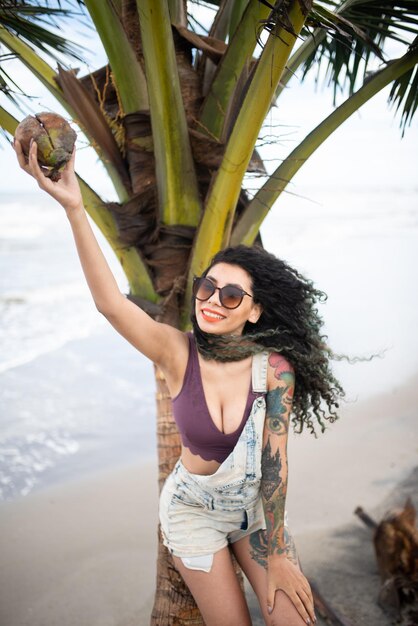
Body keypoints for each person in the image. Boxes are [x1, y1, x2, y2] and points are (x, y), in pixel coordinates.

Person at [15, 139, 344, 626]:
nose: (212, 300)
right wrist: (74, 208)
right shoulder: (176, 351)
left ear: (254, 311)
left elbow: (276, 464)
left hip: (254, 509)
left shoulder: (274, 369)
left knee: (295, 621)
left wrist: (277, 552)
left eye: (231, 295)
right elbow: (111, 304)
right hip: (195, 513)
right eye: (207, 287)